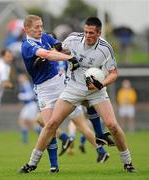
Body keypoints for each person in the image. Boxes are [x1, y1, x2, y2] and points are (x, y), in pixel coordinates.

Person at [20, 17, 135, 173]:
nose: (87, 35)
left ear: (99, 33)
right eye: (86, 31)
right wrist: (51, 55)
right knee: (51, 124)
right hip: (72, 89)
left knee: (113, 126)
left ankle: (127, 162)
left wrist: (101, 84)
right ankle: (32, 163)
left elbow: (114, 73)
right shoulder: (74, 38)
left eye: (91, 33)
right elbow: (59, 50)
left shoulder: (105, 48)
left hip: (96, 90)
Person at [19, 14, 80, 173]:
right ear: (26, 29)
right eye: (36, 27)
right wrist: (69, 58)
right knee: (50, 126)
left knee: (80, 117)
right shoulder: (27, 45)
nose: (40, 29)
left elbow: (60, 47)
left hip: (60, 84)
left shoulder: (45, 37)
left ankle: (102, 144)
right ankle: (53, 166)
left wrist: (75, 48)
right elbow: (47, 55)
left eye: (41, 26)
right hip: (44, 90)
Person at [17, 73, 39, 143]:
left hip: (31, 105)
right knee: (23, 121)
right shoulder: (24, 85)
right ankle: (25, 140)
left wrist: (21, 96)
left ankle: (43, 135)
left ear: (25, 78)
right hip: (28, 106)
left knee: (31, 123)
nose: (19, 79)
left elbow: (31, 95)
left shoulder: (27, 85)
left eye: (21, 77)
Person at [0, 49, 13, 119]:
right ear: (2, 56)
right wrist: (12, 86)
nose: (10, 58)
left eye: (11, 56)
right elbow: (5, 84)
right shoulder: (4, 67)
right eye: (8, 56)